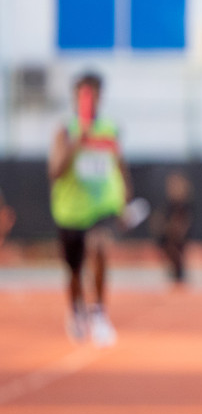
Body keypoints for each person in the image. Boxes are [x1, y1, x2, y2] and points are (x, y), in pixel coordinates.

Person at [49, 72, 132, 345]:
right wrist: (78, 141)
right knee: (74, 269)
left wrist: (123, 201)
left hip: (101, 206)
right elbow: (55, 171)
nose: (90, 101)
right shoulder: (65, 130)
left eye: (94, 95)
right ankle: (76, 309)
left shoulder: (109, 129)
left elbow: (119, 165)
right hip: (71, 210)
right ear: (76, 98)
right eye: (84, 95)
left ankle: (98, 312)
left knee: (98, 248)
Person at [154, 172, 195, 288]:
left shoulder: (186, 207)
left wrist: (179, 231)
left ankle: (179, 275)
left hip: (179, 237)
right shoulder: (167, 206)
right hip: (168, 236)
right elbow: (159, 221)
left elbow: (186, 223)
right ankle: (176, 274)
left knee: (177, 251)